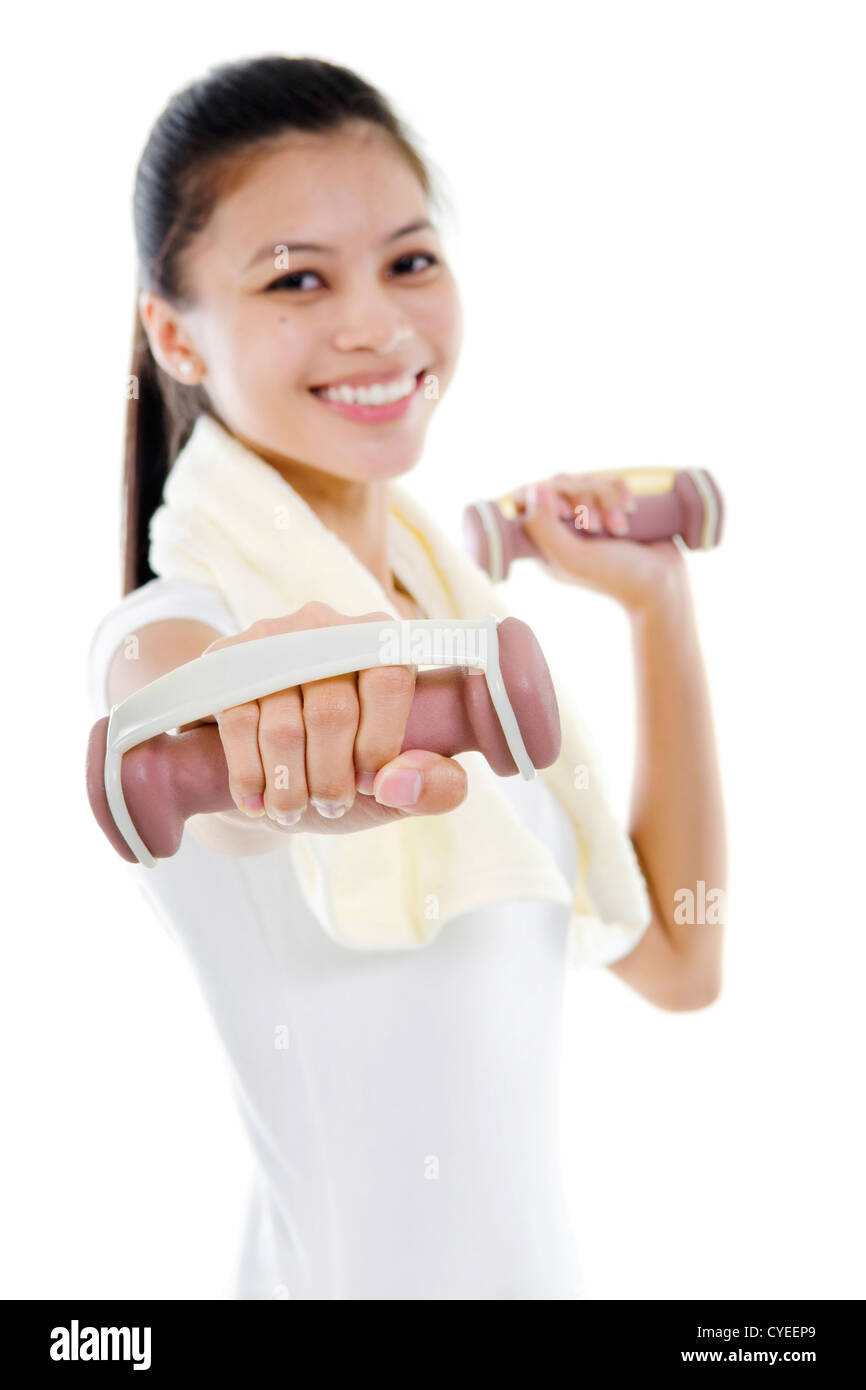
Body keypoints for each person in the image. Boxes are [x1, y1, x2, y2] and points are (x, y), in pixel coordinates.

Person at [87, 55, 727, 1300]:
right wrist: (267, 741)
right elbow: (162, 699)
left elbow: (678, 964)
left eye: (410, 259)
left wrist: (659, 606)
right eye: (296, 279)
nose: (376, 323)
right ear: (174, 333)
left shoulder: (448, 612)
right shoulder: (184, 615)